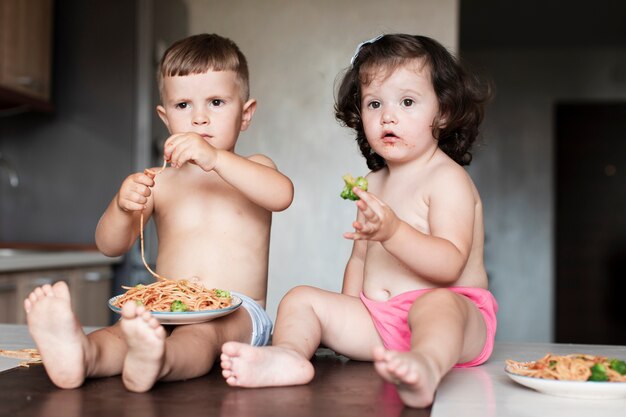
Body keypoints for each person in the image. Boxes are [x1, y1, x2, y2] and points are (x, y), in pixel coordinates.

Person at [220, 34, 496, 408]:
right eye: (374, 103)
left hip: (453, 322)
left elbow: (449, 264)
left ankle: (426, 366)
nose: (388, 115)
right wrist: (347, 315)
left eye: (408, 102)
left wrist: (394, 231)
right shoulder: (373, 183)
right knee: (301, 298)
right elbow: (361, 260)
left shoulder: (447, 179)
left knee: (438, 307)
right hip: (380, 325)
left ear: (443, 112)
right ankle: (288, 356)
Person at [23, 33, 294, 393]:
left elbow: (281, 195)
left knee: (202, 335)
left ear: (245, 114)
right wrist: (122, 207)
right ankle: (84, 354)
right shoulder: (159, 181)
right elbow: (109, 245)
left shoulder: (255, 167)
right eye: (183, 106)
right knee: (123, 330)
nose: (199, 119)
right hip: (165, 302)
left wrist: (214, 159)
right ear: (166, 118)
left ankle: (160, 361)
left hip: (237, 312)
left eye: (215, 102)